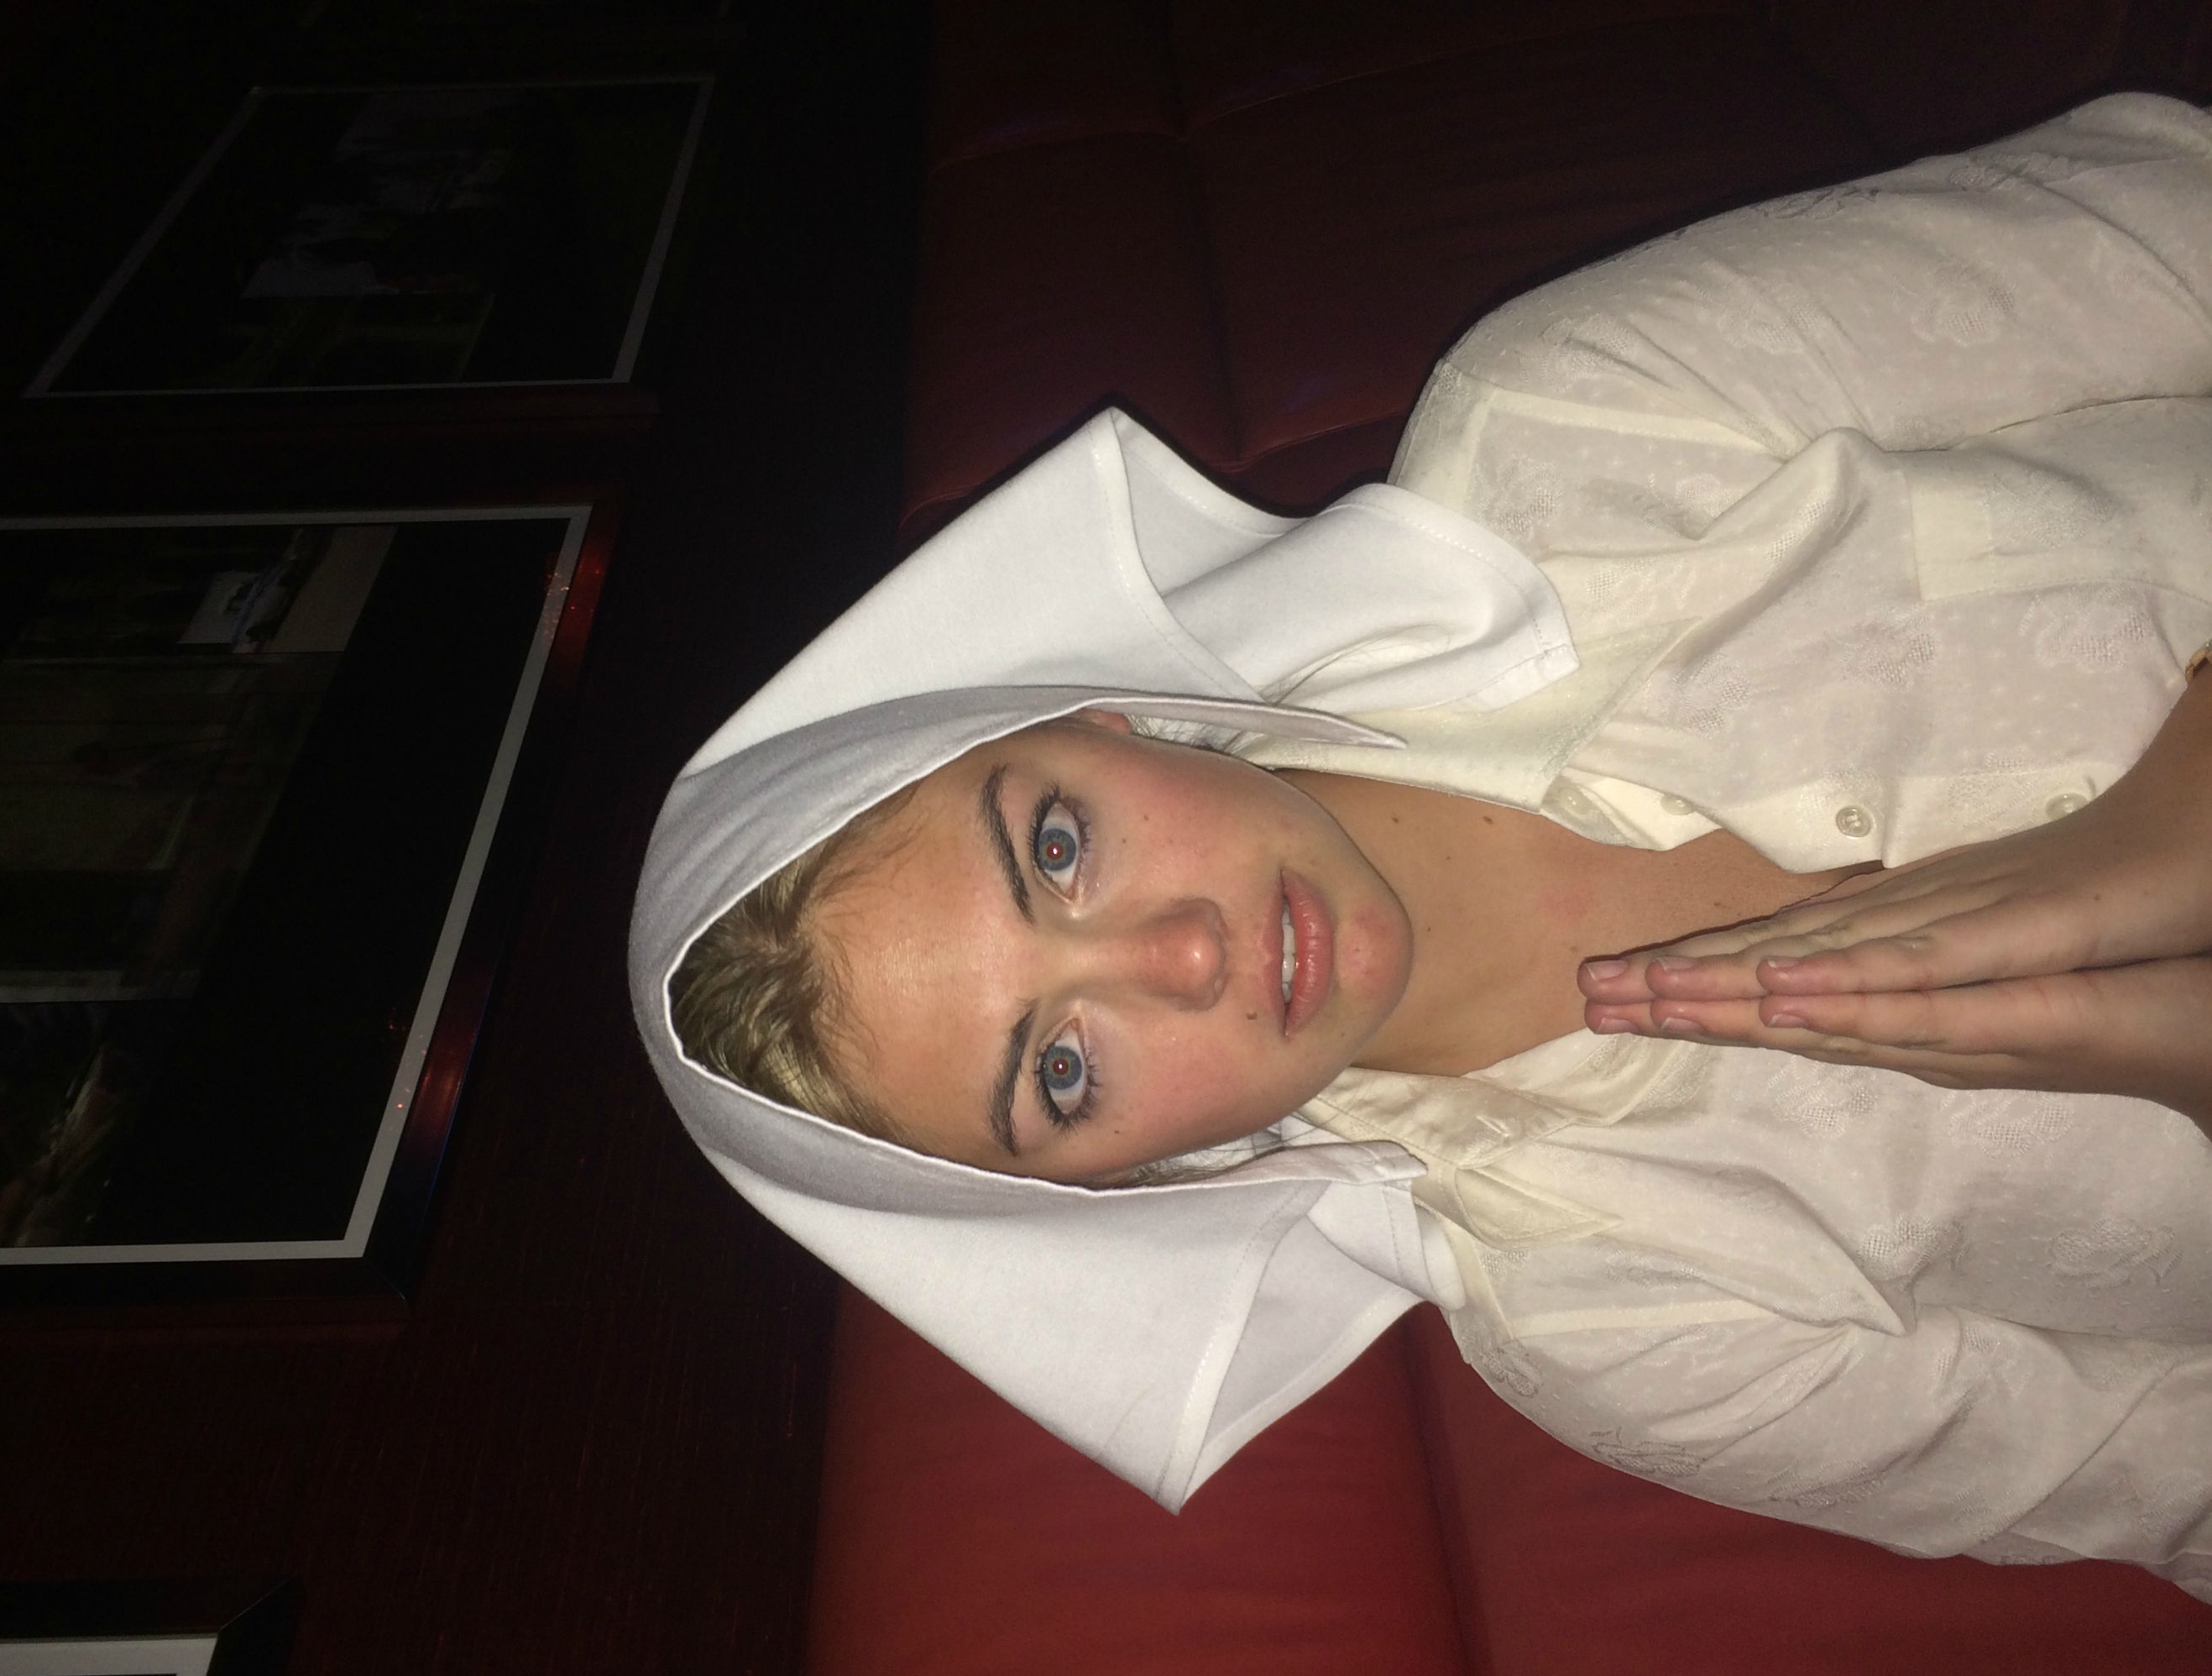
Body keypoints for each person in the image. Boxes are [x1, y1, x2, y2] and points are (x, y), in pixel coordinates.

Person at [630, 94, 2212, 1600]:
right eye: (1058, 1071)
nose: (1177, 956)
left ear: (1094, 718)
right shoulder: (1618, 1318)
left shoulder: (1577, 428)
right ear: (1120, 1187)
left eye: (1055, 847)